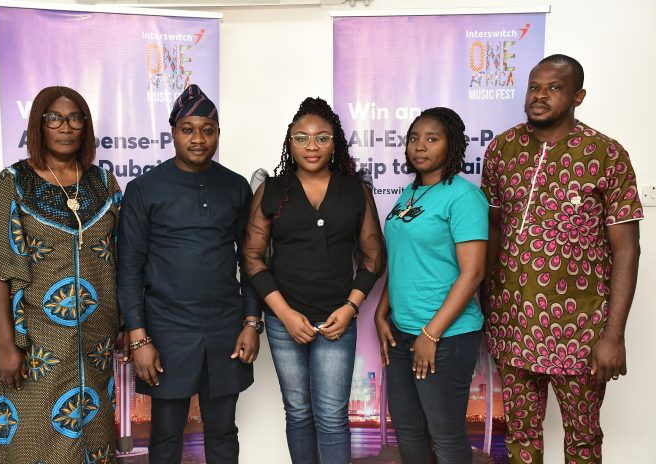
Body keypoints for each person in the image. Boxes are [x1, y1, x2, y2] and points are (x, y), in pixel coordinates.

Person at [481, 54, 643, 464]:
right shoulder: (502, 148)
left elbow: (627, 248)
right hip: (512, 324)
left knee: (584, 441)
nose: (539, 96)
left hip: (580, 330)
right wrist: (486, 303)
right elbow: (494, 230)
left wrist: (614, 335)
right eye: (535, 87)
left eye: (553, 88)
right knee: (520, 438)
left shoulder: (606, 154)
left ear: (578, 96)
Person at [0, 86, 121, 463]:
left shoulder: (103, 184)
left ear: (85, 127)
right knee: (33, 445)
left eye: (75, 118)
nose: (65, 126)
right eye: (54, 118)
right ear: (39, 125)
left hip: (94, 351)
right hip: (34, 348)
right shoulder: (11, 185)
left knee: (93, 446)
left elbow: (124, 258)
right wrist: (6, 344)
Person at [117, 84, 261, 464]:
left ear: (217, 133)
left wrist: (251, 322)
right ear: (173, 132)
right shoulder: (144, 190)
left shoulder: (235, 187)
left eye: (208, 129)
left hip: (224, 328)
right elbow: (129, 268)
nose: (199, 139)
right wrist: (138, 338)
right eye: (188, 129)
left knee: (223, 433)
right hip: (166, 330)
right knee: (166, 435)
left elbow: (250, 261)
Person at [243, 97, 385, 464]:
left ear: (335, 143)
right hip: (282, 321)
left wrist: (351, 307)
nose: (311, 146)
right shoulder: (272, 190)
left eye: (322, 138)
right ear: (289, 142)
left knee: (333, 418)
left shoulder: (356, 190)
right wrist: (285, 315)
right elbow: (252, 259)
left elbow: (374, 258)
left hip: (337, 320)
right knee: (299, 413)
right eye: (301, 138)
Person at [374, 107, 488, 463]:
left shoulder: (463, 197)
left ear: (451, 145)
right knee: (408, 431)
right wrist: (381, 313)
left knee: (447, 436)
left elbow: (473, 274)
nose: (419, 146)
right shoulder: (409, 194)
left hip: (446, 338)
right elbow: (403, 259)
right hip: (402, 333)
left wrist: (431, 334)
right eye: (414, 138)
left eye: (432, 139)